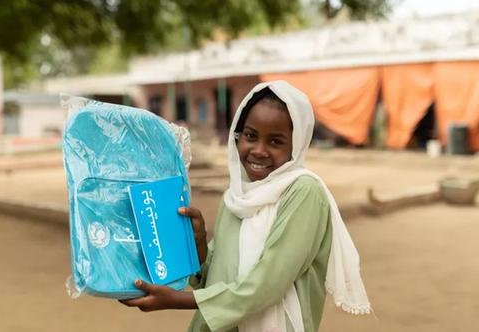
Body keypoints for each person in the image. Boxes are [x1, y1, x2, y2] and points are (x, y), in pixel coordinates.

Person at [120, 80, 371, 332]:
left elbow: (268, 283)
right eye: (251, 136)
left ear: (297, 144)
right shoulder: (236, 196)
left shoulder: (304, 192)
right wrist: (198, 250)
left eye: (275, 141)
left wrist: (179, 300)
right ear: (237, 136)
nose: (259, 150)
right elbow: (217, 279)